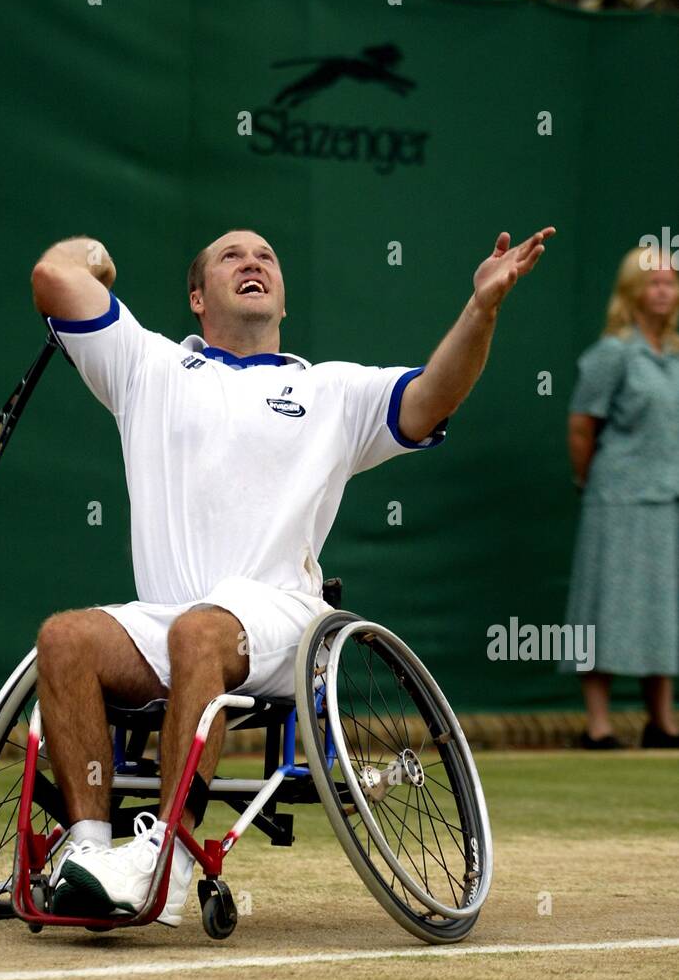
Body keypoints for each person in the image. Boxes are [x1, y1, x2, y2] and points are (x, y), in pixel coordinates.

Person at [31, 224, 555, 925]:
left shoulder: (332, 390)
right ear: (196, 295)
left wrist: (481, 308)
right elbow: (55, 277)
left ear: (282, 301)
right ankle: (90, 853)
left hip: (282, 624)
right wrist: (97, 256)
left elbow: (434, 395)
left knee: (200, 633)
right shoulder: (145, 367)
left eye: (266, 257)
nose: (252, 262)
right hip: (174, 622)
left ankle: (167, 863)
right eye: (230, 256)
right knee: (64, 638)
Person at [564, 245, 679, 749]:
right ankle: (599, 726)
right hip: (616, 499)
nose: (664, 291)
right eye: (654, 282)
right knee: (604, 606)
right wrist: (592, 482)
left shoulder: (674, 354)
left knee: (662, 608)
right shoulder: (611, 353)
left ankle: (662, 721)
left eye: (671, 283)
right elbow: (581, 425)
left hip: (668, 500)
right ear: (633, 291)